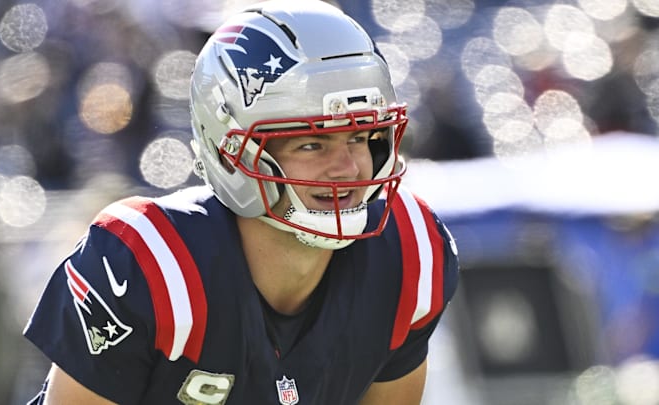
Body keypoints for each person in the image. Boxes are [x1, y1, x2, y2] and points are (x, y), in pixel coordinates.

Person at [23, 1, 460, 404]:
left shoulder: (408, 253)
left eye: (361, 136)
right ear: (231, 151)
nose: (347, 167)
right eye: (311, 144)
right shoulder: (150, 266)